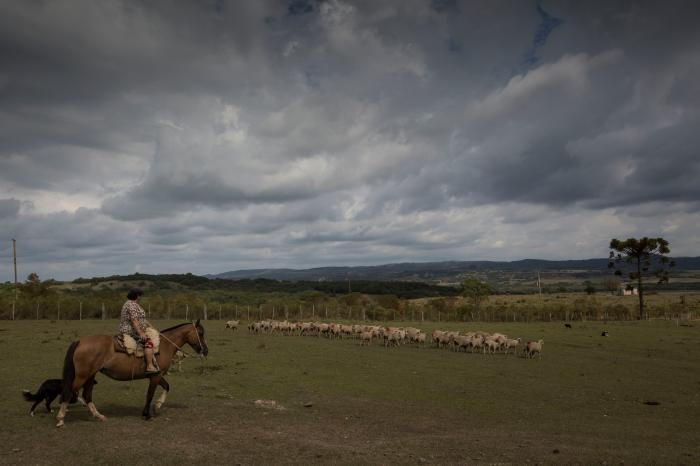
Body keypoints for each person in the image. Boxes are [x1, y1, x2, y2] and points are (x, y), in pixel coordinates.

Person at [119, 288, 159, 375]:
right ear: (137, 295)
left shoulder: (133, 304)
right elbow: (134, 320)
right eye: (140, 295)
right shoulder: (132, 305)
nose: (141, 297)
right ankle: (149, 366)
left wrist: (152, 328)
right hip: (131, 330)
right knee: (148, 342)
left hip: (136, 329)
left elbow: (143, 319)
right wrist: (141, 333)